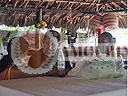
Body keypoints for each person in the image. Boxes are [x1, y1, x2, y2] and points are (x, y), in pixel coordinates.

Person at [0, 30, 71, 80]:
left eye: (52, 44)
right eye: (46, 43)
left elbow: (68, 71)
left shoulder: (62, 56)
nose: (49, 47)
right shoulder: (9, 64)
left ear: (58, 44)